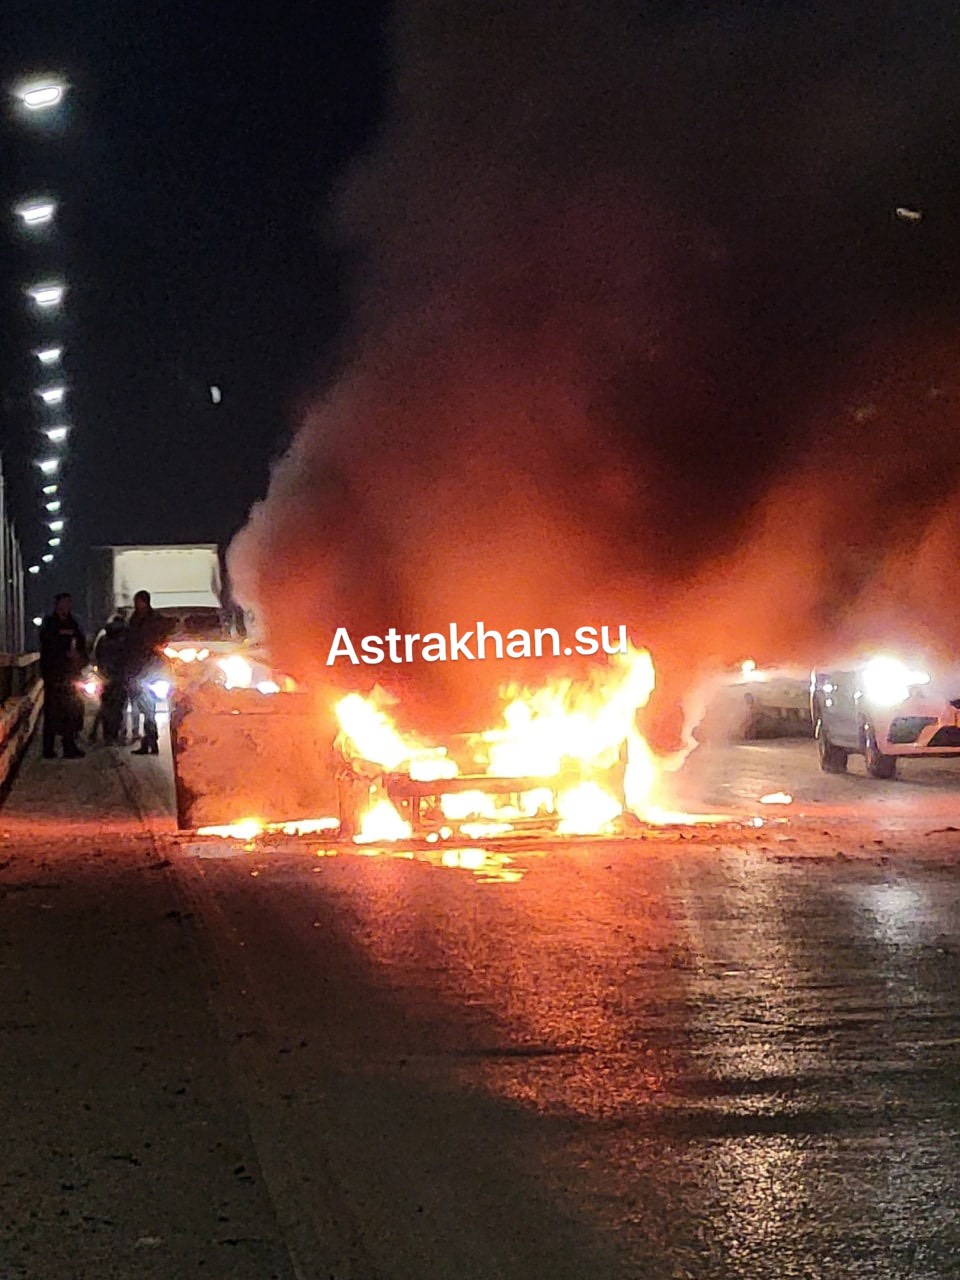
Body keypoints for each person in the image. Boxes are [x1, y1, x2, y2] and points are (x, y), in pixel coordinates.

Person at [39, 593, 88, 759]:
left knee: (71, 711)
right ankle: (48, 748)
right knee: (52, 712)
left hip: (70, 675)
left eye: (69, 603)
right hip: (54, 675)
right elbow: (47, 646)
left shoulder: (73, 623)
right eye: (64, 603)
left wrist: (80, 659)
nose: (67, 606)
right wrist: (63, 653)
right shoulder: (50, 623)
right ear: (58, 604)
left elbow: (81, 645)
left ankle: (69, 746)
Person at [125, 590, 170, 755]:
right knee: (143, 708)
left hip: (150, 669)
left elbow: (161, 641)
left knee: (148, 708)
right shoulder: (134, 620)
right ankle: (148, 740)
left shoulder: (154, 621)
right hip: (137, 669)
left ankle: (151, 740)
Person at [94, 614, 128, 745]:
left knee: (106, 705)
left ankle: (107, 734)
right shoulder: (124, 640)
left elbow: (97, 656)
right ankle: (116, 733)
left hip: (105, 677)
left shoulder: (103, 639)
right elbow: (127, 657)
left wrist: (101, 670)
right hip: (120, 677)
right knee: (119, 707)